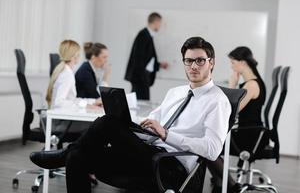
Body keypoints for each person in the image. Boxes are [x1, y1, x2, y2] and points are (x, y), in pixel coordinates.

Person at [30, 37, 239, 193]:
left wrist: (167, 135)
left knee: (108, 124)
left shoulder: (217, 101)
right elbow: (149, 123)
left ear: (211, 62)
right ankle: (68, 154)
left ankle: (61, 155)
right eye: (189, 60)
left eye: (200, 61)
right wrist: (131, 124)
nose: (193, 66)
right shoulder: (175, 93)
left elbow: (212, 150)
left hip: (171, 164)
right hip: (148, 152)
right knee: (79, 156)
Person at [209, 46, 267, 193]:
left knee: (209, 147)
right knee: (212, 144)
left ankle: (230, 184)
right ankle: (220, 182)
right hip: (250, 131)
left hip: (250, 135)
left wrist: (232, 85)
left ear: (243, 63)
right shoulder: (252, 82)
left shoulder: (252, 85)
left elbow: (232, 110)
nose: (232, 66)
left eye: (233, 62)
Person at [124, 12, 169, 100]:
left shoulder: (148, 35)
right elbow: (138, 58)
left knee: (142, 102)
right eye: (160, 23)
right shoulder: (143, 35)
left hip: (143, 77)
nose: (160, 25)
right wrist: (143, 77)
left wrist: (159, 64)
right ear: (156, 22)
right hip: (140, 78)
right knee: (140, 103)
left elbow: (147, 59)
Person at [46, 40, 102, 109]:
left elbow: (72, 100)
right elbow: (59, 102)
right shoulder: (67, 74)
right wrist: (86, 106)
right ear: (75, 56)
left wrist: (93, 101)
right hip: (61, 117)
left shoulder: (65, 70)